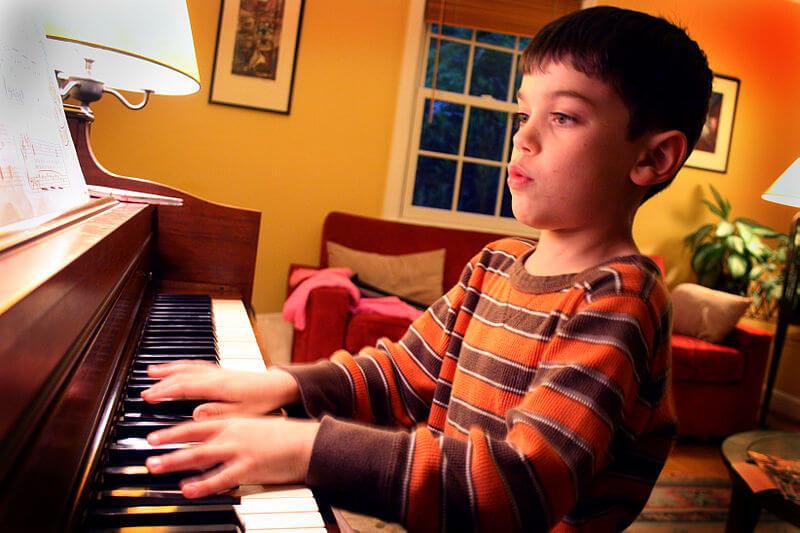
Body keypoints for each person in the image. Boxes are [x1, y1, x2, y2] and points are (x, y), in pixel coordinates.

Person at [141, 6, 712, 531]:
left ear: (652, 157)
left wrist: (302, 448)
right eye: (523, 111)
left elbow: (522, 482)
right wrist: (279, 385)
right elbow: (400, 376)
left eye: (563, 116)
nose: (523, 136)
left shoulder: (620, 298)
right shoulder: (496, 264)